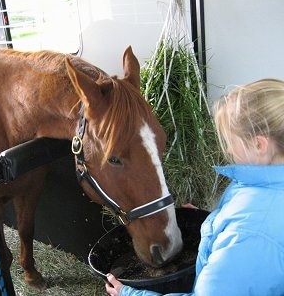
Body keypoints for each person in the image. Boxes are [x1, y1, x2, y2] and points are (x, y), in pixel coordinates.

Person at [105, 78, 284, 296]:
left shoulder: (249, 235)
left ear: (259, 145)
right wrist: (211, 221)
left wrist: (130, 294)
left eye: (230, 140)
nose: (227, 149)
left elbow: (248, 237)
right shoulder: (263, 183)